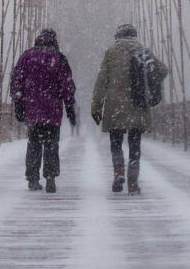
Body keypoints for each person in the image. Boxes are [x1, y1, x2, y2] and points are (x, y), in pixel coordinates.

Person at [90, 23, 164, 195]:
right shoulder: (143, 52)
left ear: (118, 36)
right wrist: (149, 80)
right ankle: (133, 182)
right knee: (135, 146)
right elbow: (162, 70)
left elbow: (101, 82)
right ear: (134, 35)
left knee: (116, 144)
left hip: (115, 106)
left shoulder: (111, 53)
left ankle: (118, 173)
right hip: (138, 105)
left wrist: (96, 107)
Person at [9, 28, 77, 193]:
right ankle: (50, 177)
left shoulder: (27, 56)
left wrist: (18, 102)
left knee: (34, 144)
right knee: (51, 144)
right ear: (54, 41)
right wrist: (69, 108)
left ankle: (33, 178)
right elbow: (66, 86)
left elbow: (17, 79)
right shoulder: (59, 58)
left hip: (32, 110)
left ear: (38, 39)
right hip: (52, 111)